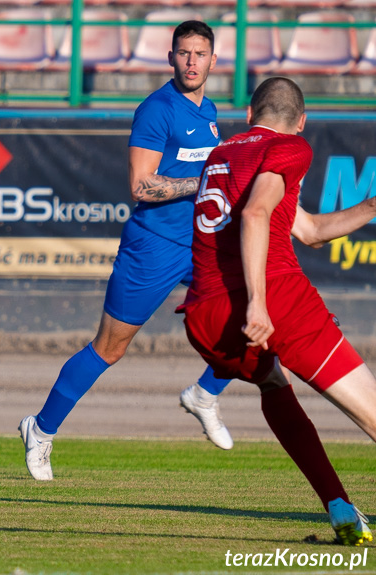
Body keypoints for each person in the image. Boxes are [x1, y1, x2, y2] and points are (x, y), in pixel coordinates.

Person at [19, 20, 240, 482]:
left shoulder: (210, 110)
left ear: (214, 60)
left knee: (249, 314)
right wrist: (202, 182)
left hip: (200, 243)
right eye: (184, 53)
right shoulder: (156, 109)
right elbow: (141, 186)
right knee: (109, 348)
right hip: (153, 246)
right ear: (171, 58)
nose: (192, 61)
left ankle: (204, 394)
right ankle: (40, 430)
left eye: (200, 53)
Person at [180, 77, 375, 545]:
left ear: (249, 115)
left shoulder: (222, 154)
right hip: (273, 296)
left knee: (272, 383)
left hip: (204, 313)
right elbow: (255, 214)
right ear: (301, 122)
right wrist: (259, 303)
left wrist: (371, 206)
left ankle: (340, 507)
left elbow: (306, 229)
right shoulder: (291, 147)